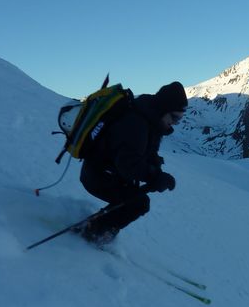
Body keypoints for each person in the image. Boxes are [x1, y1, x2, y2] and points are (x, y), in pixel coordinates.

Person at [78, 81, 188, 245]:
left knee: (134, 200)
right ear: (164, 108)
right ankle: (92, 235)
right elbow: (128, 164)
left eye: (179, 119)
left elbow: (147, 153)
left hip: (107, 171)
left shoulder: (149, 119)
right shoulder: (136, 123)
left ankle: (96, 228)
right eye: (174, 117)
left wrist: (156, 171)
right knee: (138, 203)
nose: (175, 123)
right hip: (97, 174)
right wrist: (155, 177)